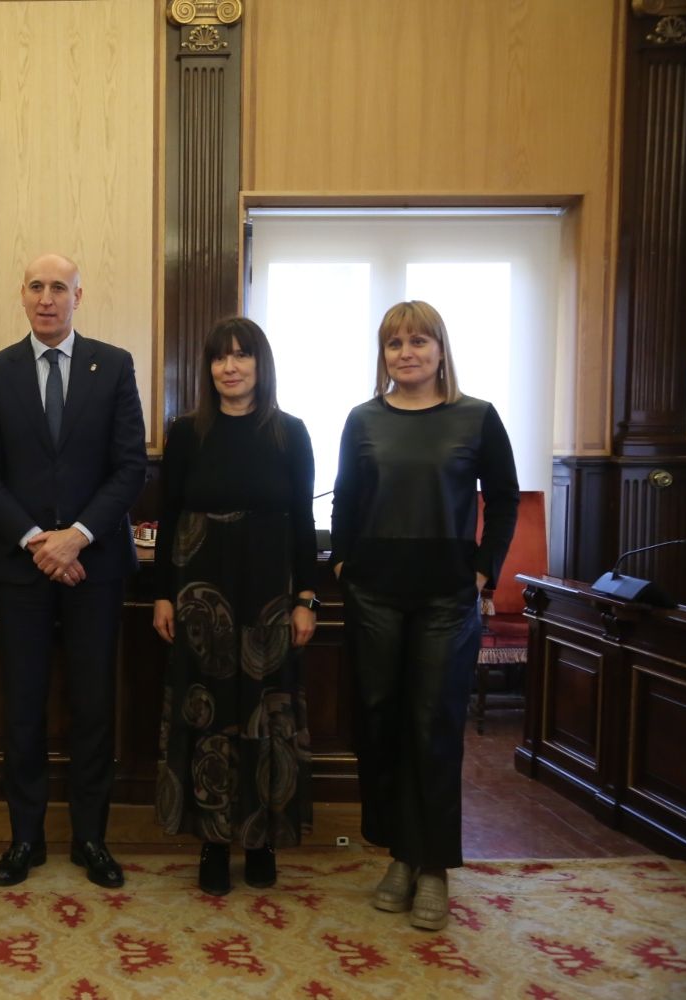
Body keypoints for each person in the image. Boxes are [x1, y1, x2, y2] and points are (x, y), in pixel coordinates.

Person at [332, 300, 518, 931]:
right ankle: (399, 854)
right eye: (394, 344)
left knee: (433, 724)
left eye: (419, 341)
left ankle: (432, 866)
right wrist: (343, 568)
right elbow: (347, 500)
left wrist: (485, 569)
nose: (406, 353)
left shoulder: (478, 417)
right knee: (381, 721)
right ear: (382, 355)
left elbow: (505, 497)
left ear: (441, 349)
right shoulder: (362, 420)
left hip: (445, 596)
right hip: (374, 594)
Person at [0, 253, 147, 889]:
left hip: (96, 567)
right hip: (22, 569)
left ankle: (91, 838)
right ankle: (25, 838)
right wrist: (41, 541)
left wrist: (77, 538)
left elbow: (130, 467)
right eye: (37, 287)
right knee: (23, 707)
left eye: (59, 288)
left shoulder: (115, 365)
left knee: (94, 705)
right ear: (22, 296)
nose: (48, 298)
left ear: (78, 295)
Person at [151, 317, 317, 896]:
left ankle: (263, 837)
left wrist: (305, 601)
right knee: (208, 715)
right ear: (209, 369)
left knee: (263, 715)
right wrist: (162, 594)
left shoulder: (290, 433)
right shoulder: (186, 432)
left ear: (260, 365)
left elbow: (303, 521)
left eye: (243, 356)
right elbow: (169, 517)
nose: (231, 367)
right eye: (220, 358)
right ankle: (213, 841)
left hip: (270, 597)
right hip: (200, 594)